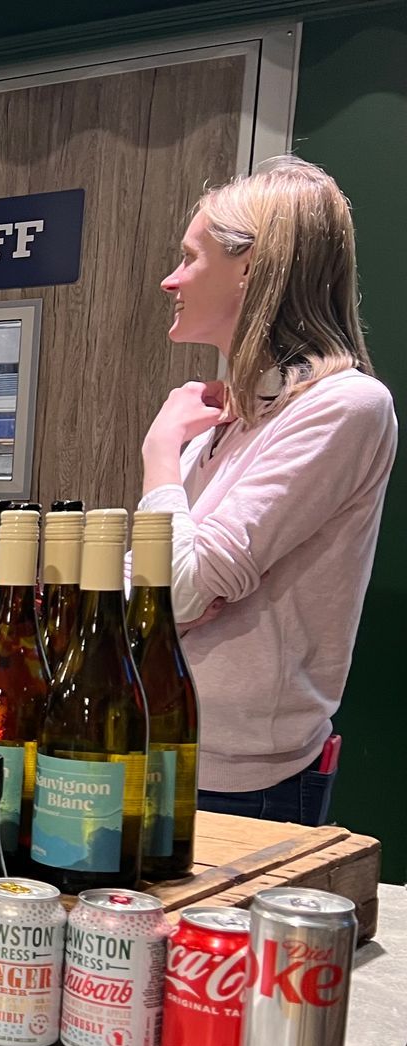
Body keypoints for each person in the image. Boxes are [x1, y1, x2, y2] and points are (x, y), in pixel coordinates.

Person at [139, 155, 396, 825]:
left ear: (249, 268)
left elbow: (175, 589)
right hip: (154, 746)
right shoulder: (228, 419)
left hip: (246, 782)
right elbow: (152, 590)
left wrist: (160, 453)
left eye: (191, 258)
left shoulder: (345, 407)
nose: (172, 279)